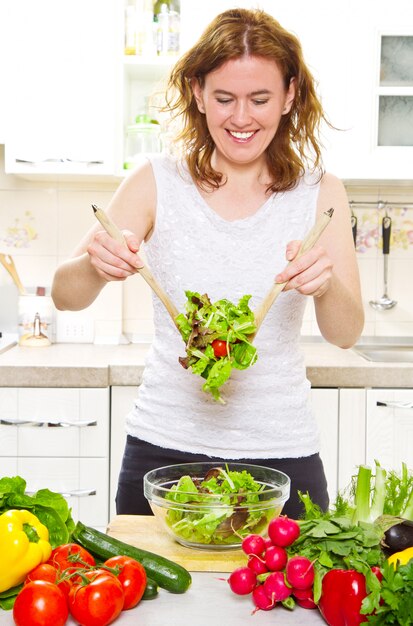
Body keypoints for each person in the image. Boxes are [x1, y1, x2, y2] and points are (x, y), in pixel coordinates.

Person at [51, 8, 364, 519]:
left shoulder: (319, 193)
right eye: (224, 99)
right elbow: (66, 294)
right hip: (164, 449)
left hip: (281, 453)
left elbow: (347, 333)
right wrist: (94, 265)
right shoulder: (156, 179)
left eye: (260, 99)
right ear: (198, 94)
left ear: (289, 96)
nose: (241, 118)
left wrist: (325, 286)